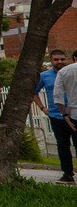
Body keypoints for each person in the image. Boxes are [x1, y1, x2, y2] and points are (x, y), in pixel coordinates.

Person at [35, 48, 74, 183]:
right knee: (63, 145)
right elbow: (34, 92)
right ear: (51, 61)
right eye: (56, 60)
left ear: (67, 60)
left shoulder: (71, 73)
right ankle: (68, 174)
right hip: (56, 116)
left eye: (62, 59)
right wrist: (43, 108)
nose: (60, 62)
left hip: (74, 115)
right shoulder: (44, 76)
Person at [52, 49, 77, 183]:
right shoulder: (48, 75)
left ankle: (68, 175)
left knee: (65, 145)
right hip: (61, 116)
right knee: (64, 144)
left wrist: (65, 114)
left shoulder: (65, 72)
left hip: (73, 114)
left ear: (74, 58)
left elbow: (57, 96)